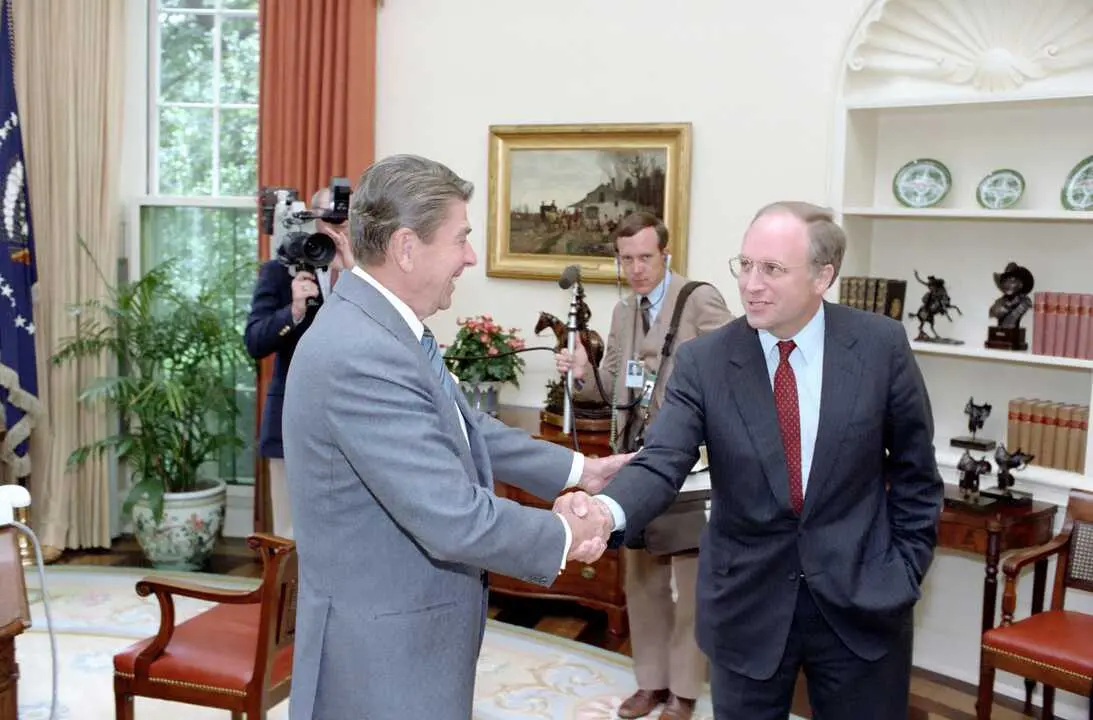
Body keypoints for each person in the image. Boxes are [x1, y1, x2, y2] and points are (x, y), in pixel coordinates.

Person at [561, 201, 943, 719]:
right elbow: (663, 458)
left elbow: (917, 474)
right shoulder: (707, 361)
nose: (751, 284)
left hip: (863, 604)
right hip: (747, 606)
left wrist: (903, 569)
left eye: (773, 269)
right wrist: (608, 512)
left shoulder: (879, 346)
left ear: (822, 276)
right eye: (745, 265)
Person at [281, 154, 630, 720]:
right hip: (379, 662)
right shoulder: (361, 352)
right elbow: (452, 517)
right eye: (460, 238)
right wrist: (568, 530)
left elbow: (468, 430)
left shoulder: (386, 328)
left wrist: (579, 472)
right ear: (406, 247)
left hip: (411, 640)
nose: (470, 256)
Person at [554, 211, 733, 720]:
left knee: (693, 587)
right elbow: (609, 390)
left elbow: (733, 373)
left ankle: (683, 692)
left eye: (645, 258)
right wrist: (583, 371)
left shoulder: (700, 299)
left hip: (693, 467)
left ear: (665, 255)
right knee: (642, 582)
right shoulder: (621, 312)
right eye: (627, 259)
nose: (636, 268)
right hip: (636, 465)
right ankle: (649, 683)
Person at [244, 186, 355, 539]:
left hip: (352, 425)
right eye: (331, 219)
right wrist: (293, 310)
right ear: (311, 219)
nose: (338, 229)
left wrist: (352, 275)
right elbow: (255, 341)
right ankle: (289, 597)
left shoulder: (366, 275)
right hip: (291, 421)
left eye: (346, 220)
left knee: (345, 533)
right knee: (291, 536)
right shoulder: (281, 271)